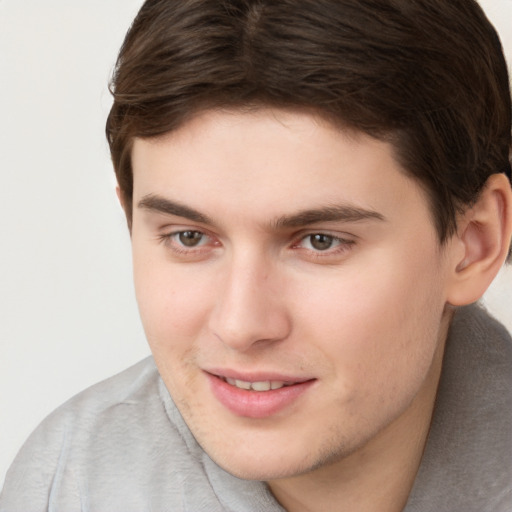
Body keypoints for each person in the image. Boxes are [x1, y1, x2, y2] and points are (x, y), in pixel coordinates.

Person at [1, 0, 511, 510]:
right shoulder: (65, 484)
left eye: (320, 241)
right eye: (189, 237)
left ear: (473, 245)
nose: (241, 325)